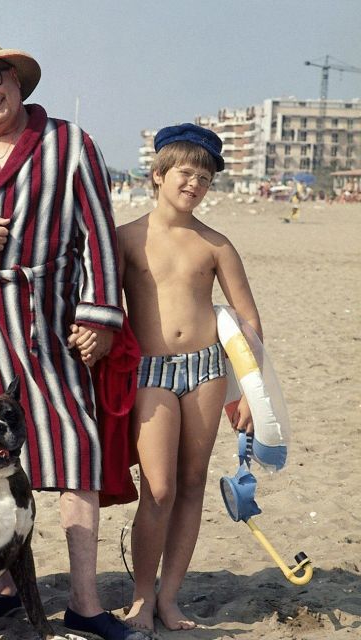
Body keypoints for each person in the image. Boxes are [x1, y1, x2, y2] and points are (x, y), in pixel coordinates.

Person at [0, 33, 147, 640]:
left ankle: (85, 602)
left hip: (49, 325)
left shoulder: (69, 144)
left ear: (17, 82)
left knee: (75, 454)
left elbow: (100, 234)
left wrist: (100, 315)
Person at [118, 124, 261, 633]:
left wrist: (249, 393)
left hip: (206, 370)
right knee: (158, 488)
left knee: (193, 482)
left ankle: (170, 597)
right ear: (157, 175)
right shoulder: (127, 238)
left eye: (204, 178)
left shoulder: (216, 244)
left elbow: (247, 321)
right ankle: (140, 597)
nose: (195, 184)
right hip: (149, 373)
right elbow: (100, 307)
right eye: (185, 173)